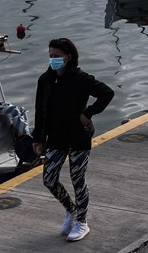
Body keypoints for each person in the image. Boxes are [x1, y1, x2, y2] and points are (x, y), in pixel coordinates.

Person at [32, 37, 114, 242]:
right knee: (49, 179)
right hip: (56, 138)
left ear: (68, 57)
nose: (53, 60)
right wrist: (38, 139)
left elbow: (107, 93)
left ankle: (82, 222)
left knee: (78, 180)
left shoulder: (81, 78)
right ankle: (71, 209)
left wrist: (88, 113)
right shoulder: (45, 80)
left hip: (78, 138)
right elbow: (40, 111)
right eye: (50, 56)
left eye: (57, 56)